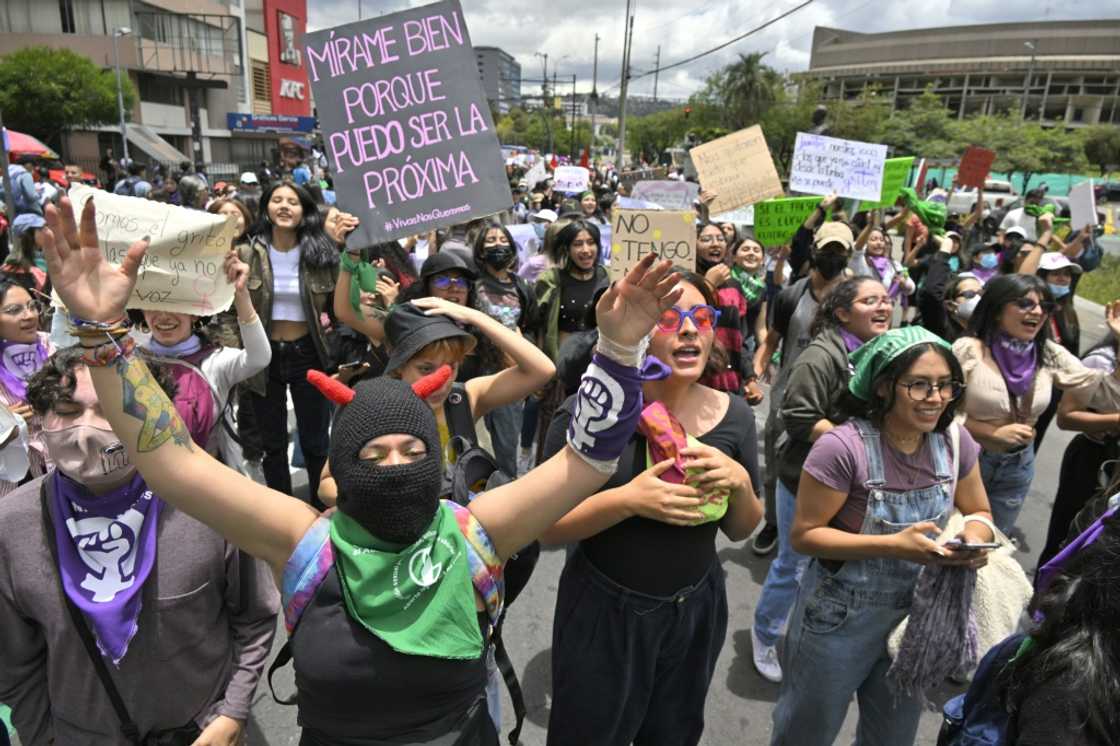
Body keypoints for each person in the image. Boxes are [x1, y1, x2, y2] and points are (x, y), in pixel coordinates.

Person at [41, 191, 683, 745]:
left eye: (410, 452)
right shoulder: (303, 542)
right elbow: (172, 460)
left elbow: (587, 459)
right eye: (372, 457)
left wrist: (621, 348)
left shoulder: (474, 533)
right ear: (339, 474)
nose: (396, 466)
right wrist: (101, 333)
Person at [0, 349, 279, 745]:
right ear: (41, 421)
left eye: (109, 408)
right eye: (67, 409)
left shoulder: (209, 503)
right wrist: (44, 737)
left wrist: (231, 713)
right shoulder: (11, 526)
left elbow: (255, 617)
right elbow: (15, 662)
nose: (86, 430)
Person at [541, 271, 763, 745]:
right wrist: (627, 501)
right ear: (638, 327)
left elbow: (741, 529)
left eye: (700, 317)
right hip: (604, 612)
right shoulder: (591, 412)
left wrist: (740, 482)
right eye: (669, 317)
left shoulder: (736, 416)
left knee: (672, 734)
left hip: (696, 609)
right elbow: (546, 529)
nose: (688, 329)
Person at [771, 327, 994, 746]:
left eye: (946, 385)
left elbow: (979, 510)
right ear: (882, 387)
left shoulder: (954, 440)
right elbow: (805, 535)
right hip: (837, 618)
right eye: (919, 385)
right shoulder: (841, 448)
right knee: (805, 731)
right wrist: (892, 544)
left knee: (891, 737)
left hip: (915, 618)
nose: (936, 397)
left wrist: (971, 540)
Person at [752, 277, 892, 682]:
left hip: (849, 484)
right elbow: (797, 417)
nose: (883, 307)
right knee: (792, 566)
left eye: (886, 300)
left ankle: (805, 635)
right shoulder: (820, 356)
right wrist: (852, 444)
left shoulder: (877, 352)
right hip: (804, 477)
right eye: (870, 301)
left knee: (827, 567)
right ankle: (765, 636)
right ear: (843, 313)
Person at [953, 273, 1120, 534]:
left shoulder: (1049, 353)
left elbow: (1107, 394)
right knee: (951, 538)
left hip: (1017, 465)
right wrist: (991, 432)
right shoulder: (969, 349)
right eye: (1025, 303)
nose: (1038, 312)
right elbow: (938, 411)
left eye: (1045, 306)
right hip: (966, 460)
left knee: (991, 546)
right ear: (997, 309)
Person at [751, 213, 851, 557]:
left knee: (829, 462)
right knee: (778, 460)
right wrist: (757, 370)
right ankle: (774, 522)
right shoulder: (792, 294)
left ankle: (820, 526)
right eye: (828, 249)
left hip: (836, 398)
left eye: (841, 252)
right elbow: (773, 340)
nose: (833, 257)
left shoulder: (858, 298)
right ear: (815, 250)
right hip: (788, 395)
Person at [238, 180, 338, 507]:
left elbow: (340, 308)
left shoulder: (322, 252)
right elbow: (227, 308)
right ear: (266, 207)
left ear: (304, 210)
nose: (284, 206)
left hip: (308, 354)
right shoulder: (246, 253)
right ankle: (285, 510)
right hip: (262, 356)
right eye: (277, 199)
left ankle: (321, 507)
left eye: (292, 201)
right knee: (273, 444)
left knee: (315, 441)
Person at [140, 249, 269, 467]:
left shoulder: (216, 361)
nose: (163, 316)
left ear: (195, 312)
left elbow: (259, 358)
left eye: (175, 305)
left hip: (209, 477)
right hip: (148, 481)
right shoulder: (131, 360)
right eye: (153, 305)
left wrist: (241, 295)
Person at [1039, 320, 1120, 567]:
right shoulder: (1100, 361)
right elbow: (1066, 417)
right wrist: (1113, 421)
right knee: (1066, 537)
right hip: (1091, 457)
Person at [471, 223, 540, 476]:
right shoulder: (473, 285)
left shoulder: (521, 286)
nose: (498, 244)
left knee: (506, 443)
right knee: (476, 440)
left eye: (503, 240)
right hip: (479, 372)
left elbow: (531, 326)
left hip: (511, 373)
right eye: (491, 240)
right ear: (480, 249)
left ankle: (506, 488)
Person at [0, 280, 53, 496]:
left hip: (56, 472)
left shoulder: (53, 349)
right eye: (14, 310)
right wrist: (5, 426)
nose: (29, 315)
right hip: (9, 488)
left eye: (32, 306)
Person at [1032, 252, 1084, 450]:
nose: (1064, 279)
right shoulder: (1029, 310)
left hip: (1054, 389)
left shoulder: (1068, 312)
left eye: (1067, 274)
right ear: (1042, 277)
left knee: (1034, 439)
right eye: (1057, 274)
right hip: (1029, 386)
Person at [696, 221, 754, 397]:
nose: (715, 243)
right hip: (696, 379)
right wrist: (708, 284)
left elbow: (738, 337)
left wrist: (750, 377)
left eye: (720, 239)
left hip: (729, 383)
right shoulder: (686, 281)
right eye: (706, 239)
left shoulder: (734, 286)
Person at [2, 214, 50, 295]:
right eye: (41, 228)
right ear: (29, 234)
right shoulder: (36, 273)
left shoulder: (6, 267)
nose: (46, 231)